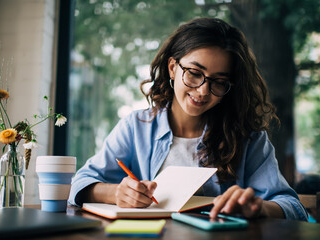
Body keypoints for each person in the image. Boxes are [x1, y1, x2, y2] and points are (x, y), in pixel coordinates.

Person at [68, 17, 307, 221]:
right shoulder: (137, 127)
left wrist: (259, 207)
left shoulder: (248, 138)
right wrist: (116, 193)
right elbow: (80, 183)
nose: (203, 91)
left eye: (219, 82)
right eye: (194, 74)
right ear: (172, 68)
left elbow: (293, 207)